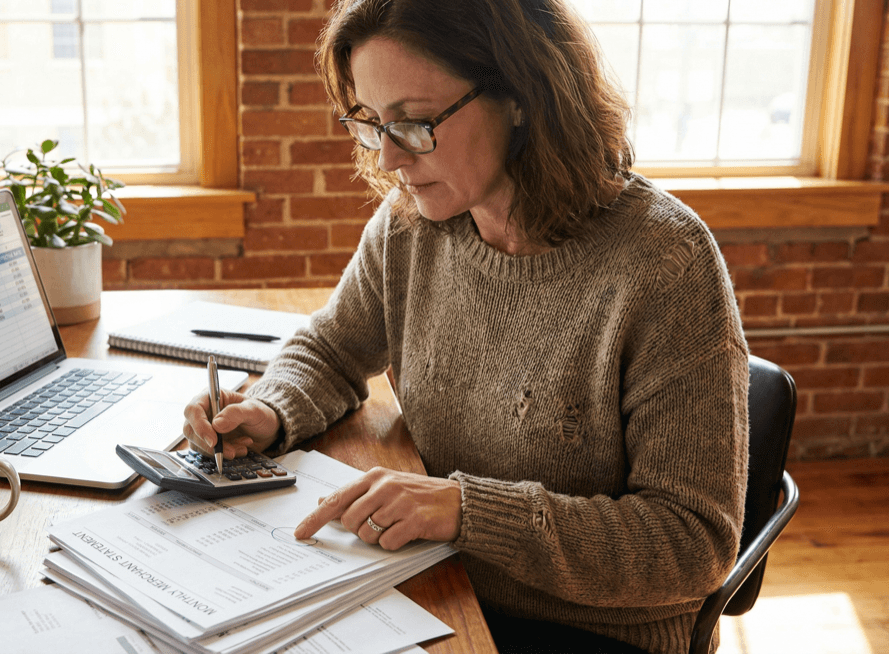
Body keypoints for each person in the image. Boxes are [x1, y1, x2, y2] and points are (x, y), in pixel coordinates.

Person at [181, 1, 749, 652]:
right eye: (370, 123)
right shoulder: (412, 227)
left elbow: (693, 543)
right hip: (432, 587)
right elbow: (332, 346)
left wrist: (467, 511)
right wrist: (270, 408)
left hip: (588, 631)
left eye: (416, 123)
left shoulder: (665, 265)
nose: (390, 158)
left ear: (521, 93)